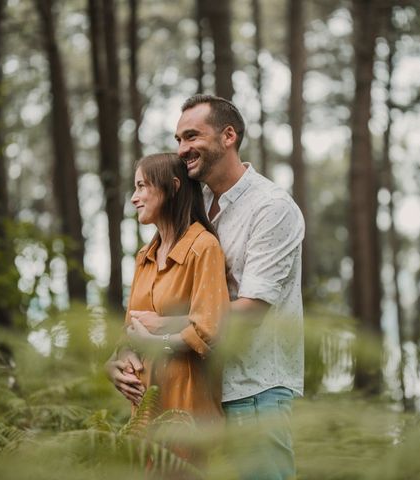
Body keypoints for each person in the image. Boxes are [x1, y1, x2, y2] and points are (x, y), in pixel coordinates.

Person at [109, 95, 305, 480]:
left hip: (254, 390)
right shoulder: (192, 212)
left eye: (192, 136)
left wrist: (160, 327)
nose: (182, 149)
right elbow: (156, 300)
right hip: (197, 394)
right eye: (179, 139)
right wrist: (117, 358)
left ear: (228, 136)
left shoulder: (270, 208)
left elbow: (252, 309)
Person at [108, 152, 229, 425]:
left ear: (173, 187)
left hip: (188, 404)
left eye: (141, 186)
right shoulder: (144, 256)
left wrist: (155, 342)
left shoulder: (204, 247)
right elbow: (129, 330)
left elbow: (210, 330)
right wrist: (117, 364)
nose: (134, 198)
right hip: (144, 409)